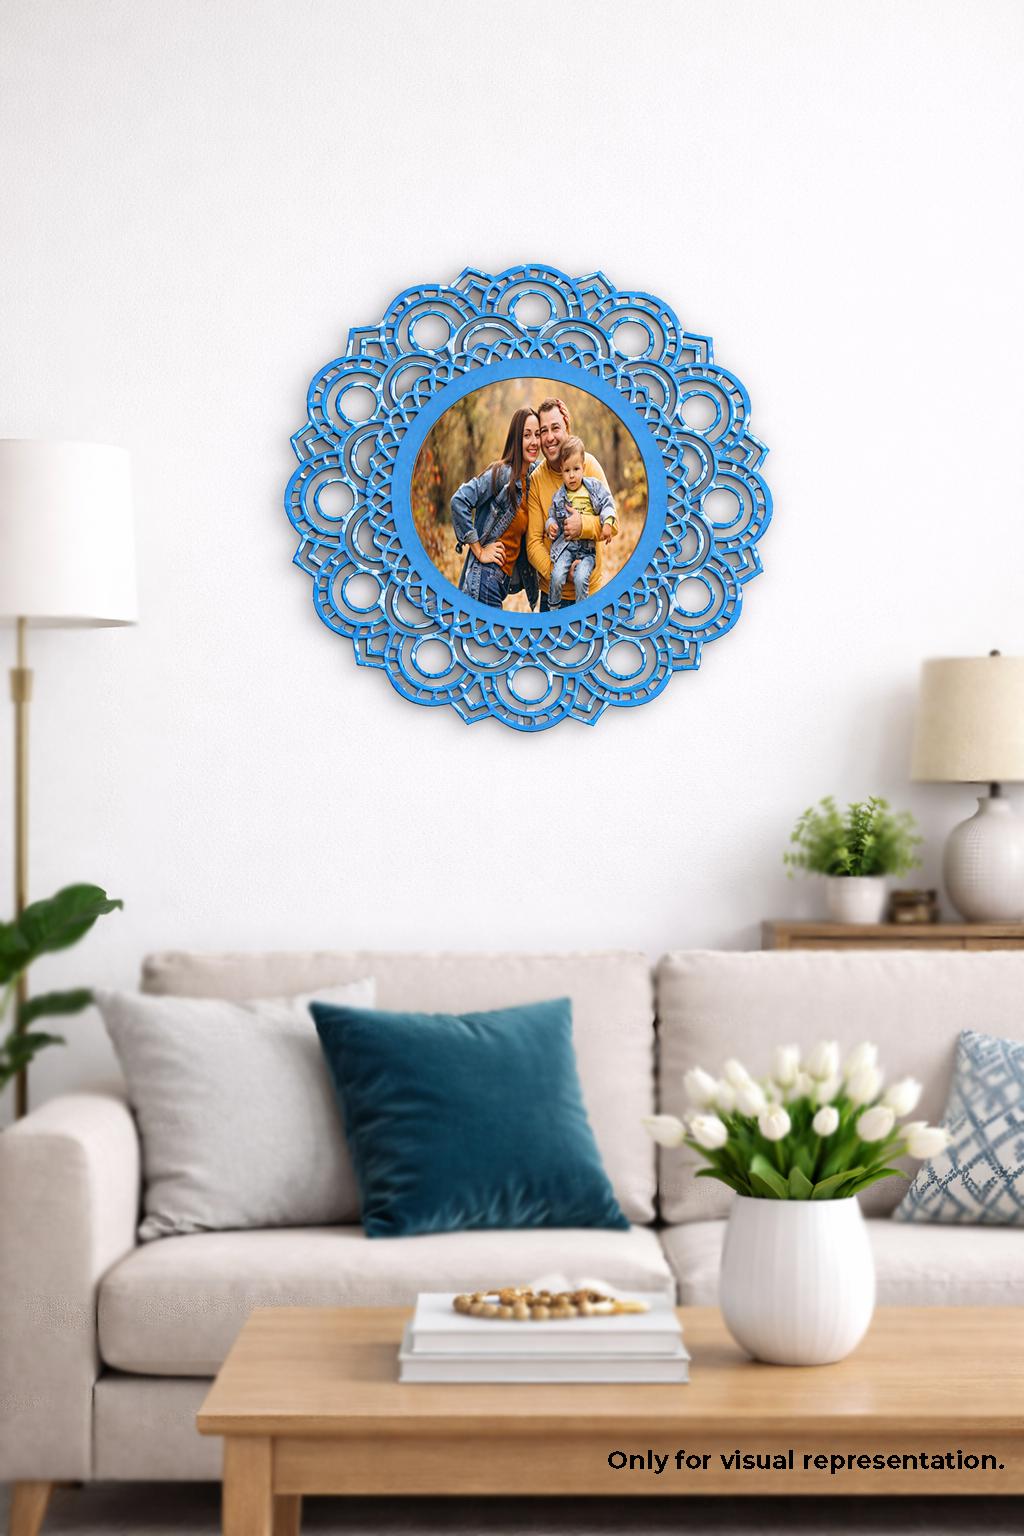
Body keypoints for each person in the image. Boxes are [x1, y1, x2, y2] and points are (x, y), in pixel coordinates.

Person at [450, 408, 541, 609]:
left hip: (499, 583)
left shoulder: (531, 479)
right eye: (527, 435)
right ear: (516, 439)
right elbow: (459, 501)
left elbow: (559, 461)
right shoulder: (503, 474)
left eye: (538, 434)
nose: (534, 441)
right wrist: (479, 550)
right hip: (485, 579)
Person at [526, 398, 612, 610]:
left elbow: (613, 522)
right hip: (550, 595)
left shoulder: (588, 466)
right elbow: (533, 543)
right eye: (543, 431)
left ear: (567, 428)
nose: (549, 437)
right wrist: (561, 572)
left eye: (555, 428)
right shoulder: (537, 479)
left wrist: (583, 525)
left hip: (591, 592)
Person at [545, 436, 617, 609]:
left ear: (584, 468)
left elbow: (608, 504)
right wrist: (550, 525)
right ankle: (553, 608)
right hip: (565, 549)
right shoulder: (559, 496)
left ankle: (581, 612)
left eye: (576, 469)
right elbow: (551, 516)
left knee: (580, 578)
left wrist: (607, 523)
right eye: (567, 471)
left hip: (587, 550)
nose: (572, 476)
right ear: (561, 471)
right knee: (556, 576)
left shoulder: (593, 488)